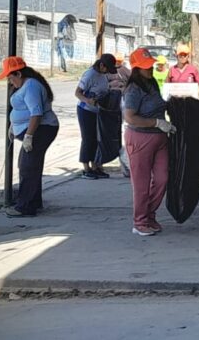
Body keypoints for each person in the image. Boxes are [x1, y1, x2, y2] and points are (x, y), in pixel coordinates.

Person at [123, 48, 178, 236]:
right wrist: (156, 122)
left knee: (163, 178)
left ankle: (149, 215)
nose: (150, 69)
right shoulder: (133, 89)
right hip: (140, 139)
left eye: (150, 65)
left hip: (160, 138)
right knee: (142, 184)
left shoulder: (152, 83)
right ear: (136, 69)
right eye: (145, 67)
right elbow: (130, 117)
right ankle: (139, 222)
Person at [0, 57, 60, 217]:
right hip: (36, 129)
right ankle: (34, 202)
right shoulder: (26, 85)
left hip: (42, 129)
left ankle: (26, 206)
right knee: (28, 164)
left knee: (28, 167)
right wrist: (14, 125)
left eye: (11, 78)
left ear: (18, 74)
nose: (10, 82)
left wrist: (28, 136)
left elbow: (36, 113)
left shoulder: (31, 86)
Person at [75, 54, 118, 179]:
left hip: (98, 111)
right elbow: (77, 93)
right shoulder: (90, 75)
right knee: (88, 138)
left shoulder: (103, 75)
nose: (108, 72)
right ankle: (86, 168)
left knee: (97, 138)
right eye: (107, 68)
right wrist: (87, 100)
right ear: (101, 65)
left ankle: (95, 166)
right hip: (86, 111)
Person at [107, 53, 132, 178]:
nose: (117, 63)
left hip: (123, 100)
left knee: (124, 129)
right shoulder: (108, 72)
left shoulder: (125, 71)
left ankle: (126, 165)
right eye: (115, 61)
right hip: (110, 102)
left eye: (119, 61)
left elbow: (132, 83)